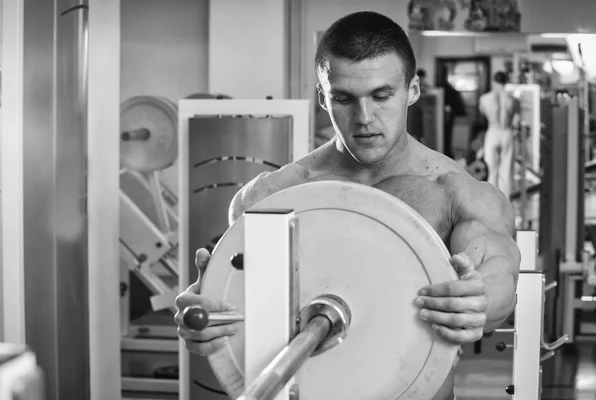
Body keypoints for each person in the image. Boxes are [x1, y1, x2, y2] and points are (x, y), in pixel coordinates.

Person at [175, 11, 520, 400]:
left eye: (381, 95)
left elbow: (500, 276)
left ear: (413, 90)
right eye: (343, 99)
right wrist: (207, 318)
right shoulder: (270, 197)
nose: (364, 118)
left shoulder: (456, 193)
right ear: (323, 98)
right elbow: (228, 300)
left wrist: (478, 301)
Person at [479, 71, 520, 197]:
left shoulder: (485, 98)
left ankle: (492, 201)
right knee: (506, 170)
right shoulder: (513, 100)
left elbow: (483, 113)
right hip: (506, 131)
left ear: (493, 81)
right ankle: (506, 201)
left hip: (493, 131)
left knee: (491, 169)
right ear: (506, 82)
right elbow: (516, 121)